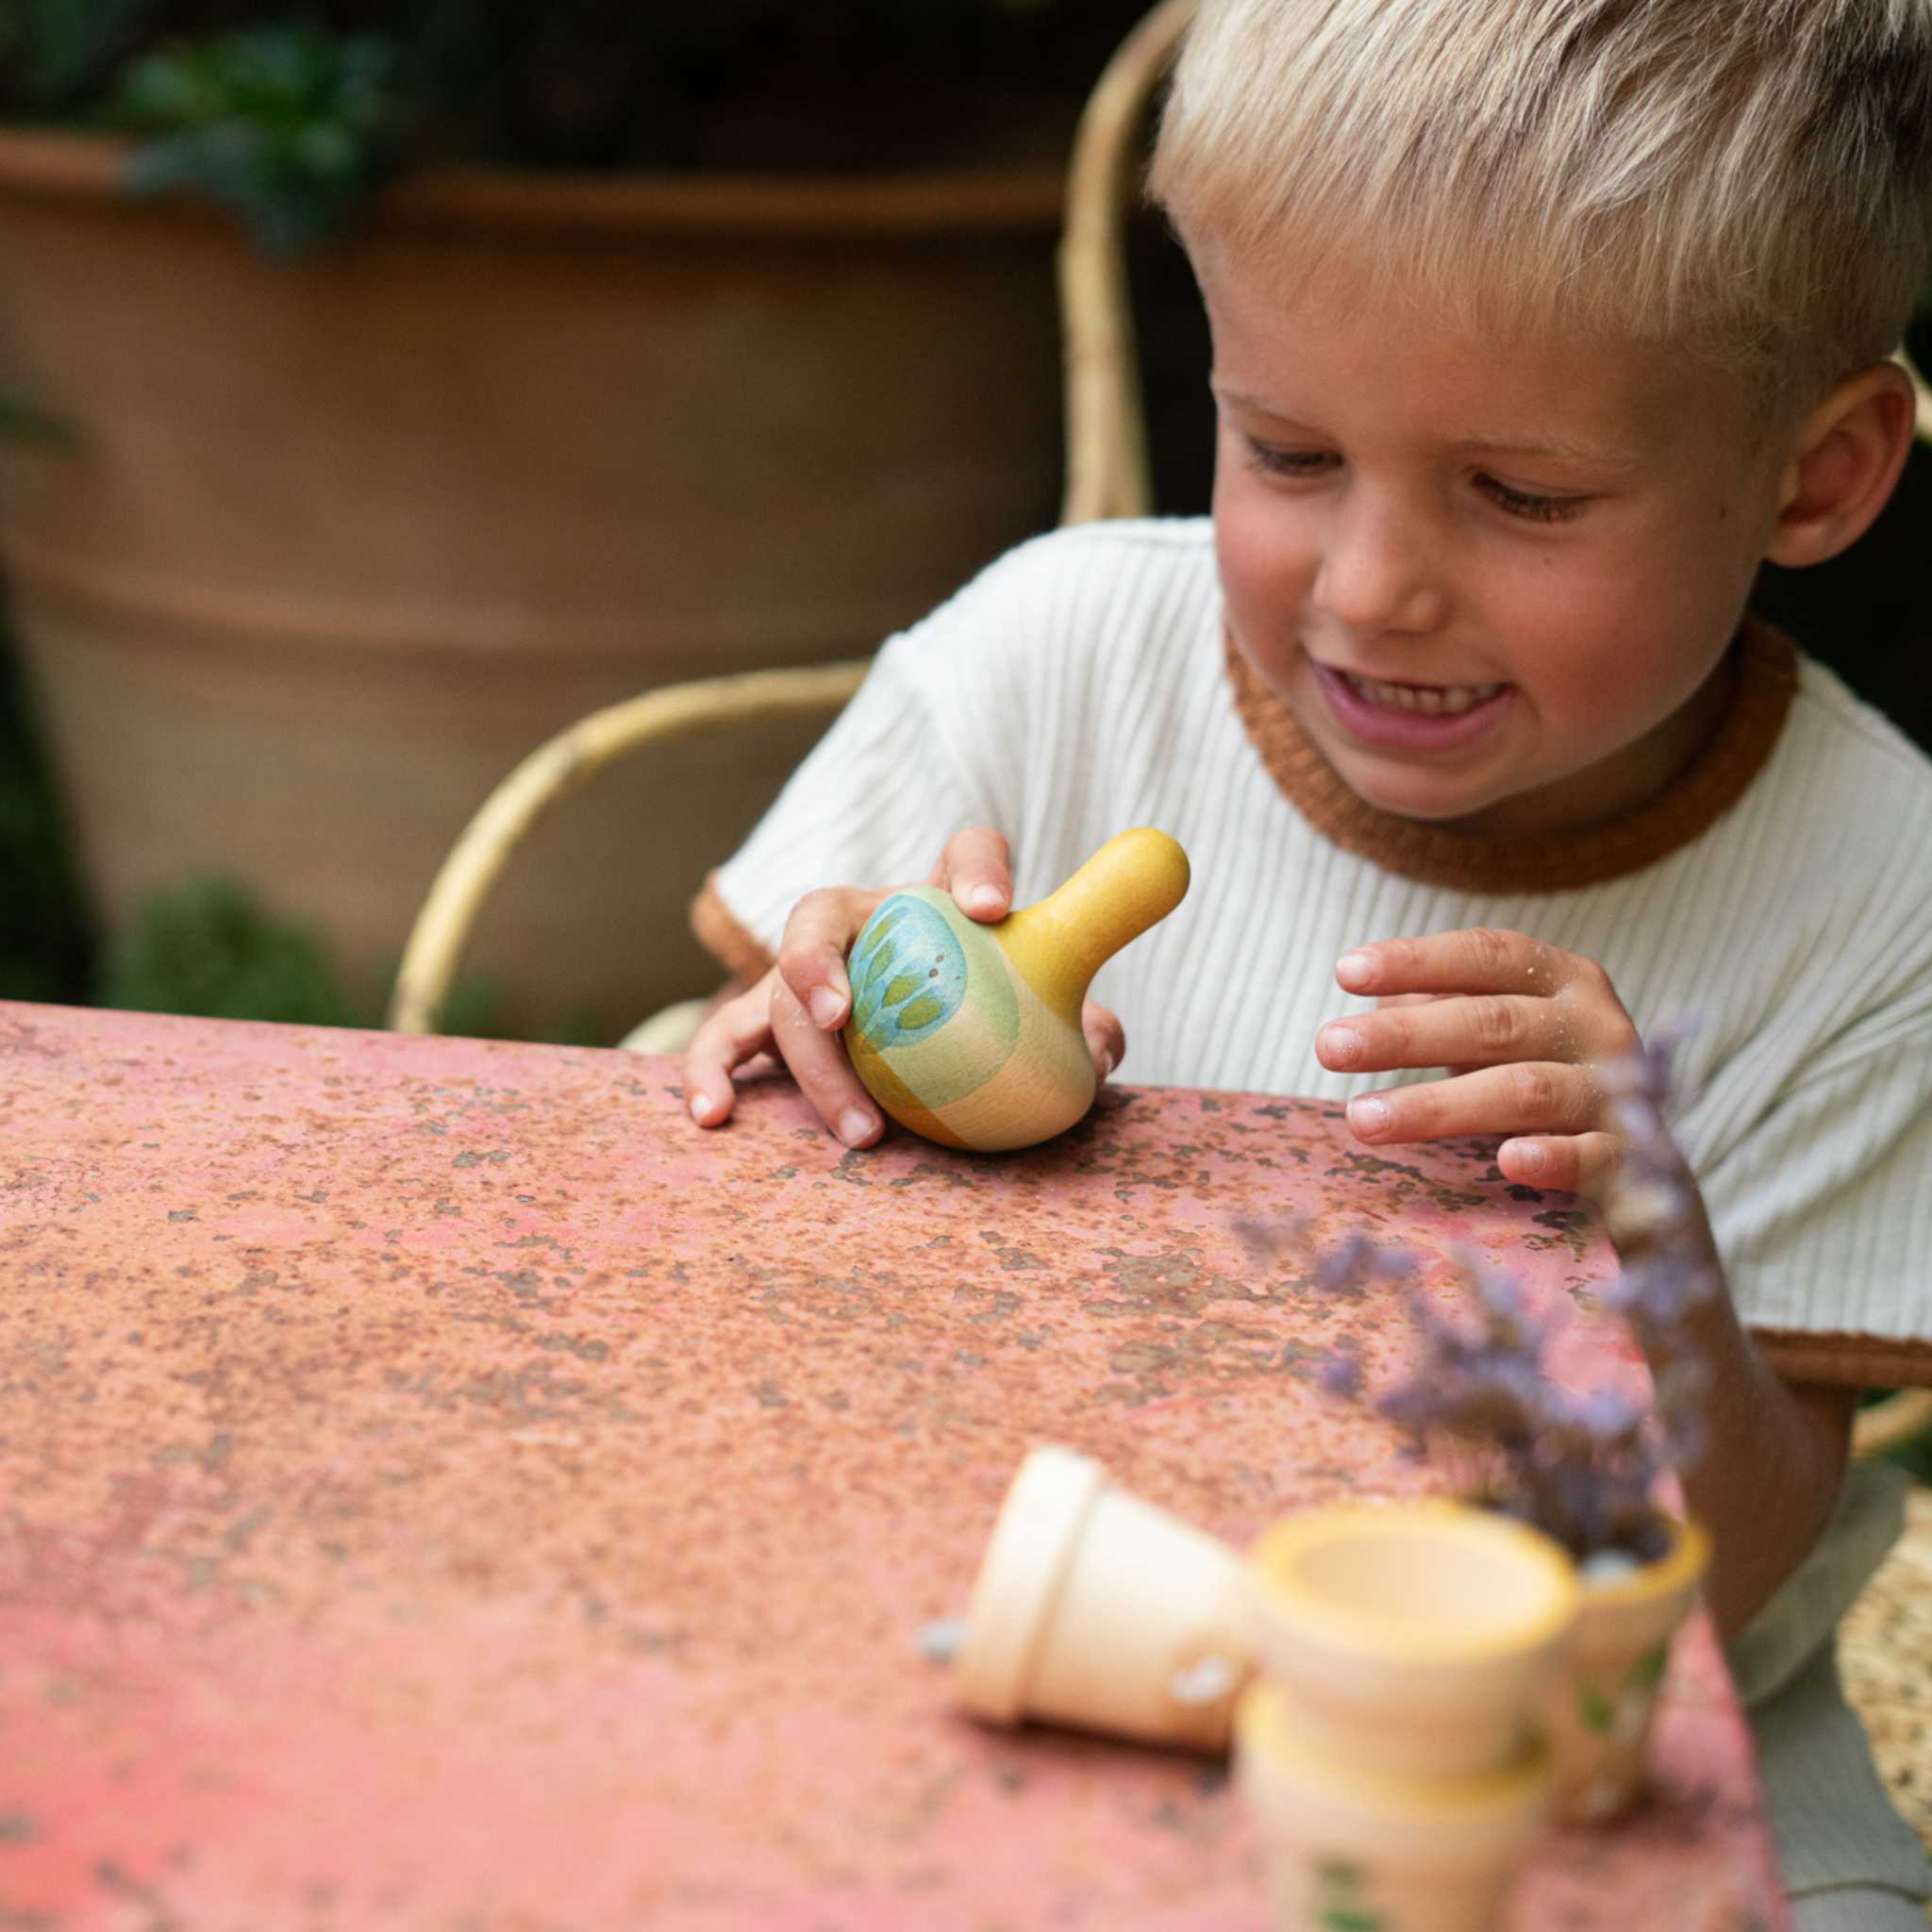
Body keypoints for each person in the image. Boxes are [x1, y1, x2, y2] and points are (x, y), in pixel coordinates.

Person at [678, 2, 1932, 1921]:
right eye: (1286, 449)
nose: (1366, 589)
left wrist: (1654, 1235)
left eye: (1522, 496)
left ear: (1817, 476)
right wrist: (785, 1049)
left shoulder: (1879, 891)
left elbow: (1732, 1585)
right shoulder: (1044, 665)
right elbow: (664, 1200)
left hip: (1610, 1782)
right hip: (1009, 1647)